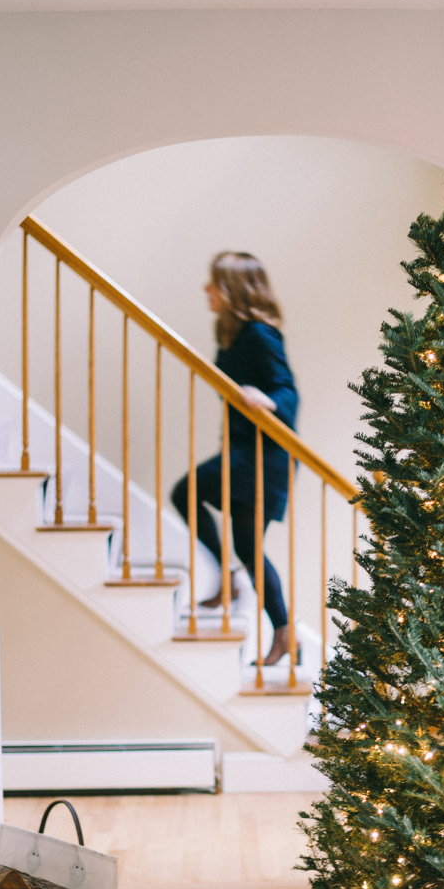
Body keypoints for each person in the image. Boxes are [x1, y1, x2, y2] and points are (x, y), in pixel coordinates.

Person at [171, 252, 298, 667]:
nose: (206, 291)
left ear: (232, 290)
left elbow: (287, 389)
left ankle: (237, 591)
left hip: (264, 456)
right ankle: (283, 634)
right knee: (247, 547)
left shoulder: (260, 334)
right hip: (244, 451)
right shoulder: (230, 332)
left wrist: (269, 400)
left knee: (188, 491)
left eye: (213, 283)